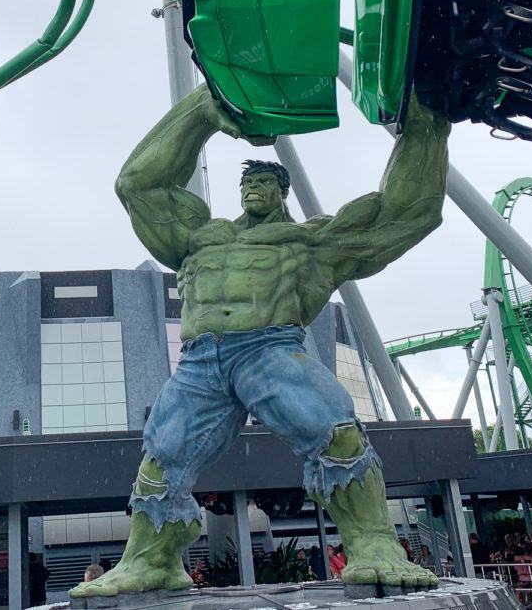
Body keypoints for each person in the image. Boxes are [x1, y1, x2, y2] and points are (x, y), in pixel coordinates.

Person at [71, 87, 450, 600]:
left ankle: (375, 544)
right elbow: (138, 185)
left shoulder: (310, 241)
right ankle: (152, 558)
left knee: (336, 433)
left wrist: (427, 125)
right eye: (248, 181)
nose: (254, 188)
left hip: (268, 349)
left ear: (282, 191)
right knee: (162, 457)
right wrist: (206, 109)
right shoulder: (203, 237)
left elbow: (404, 214)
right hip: (200, 360)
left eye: (266, 181)